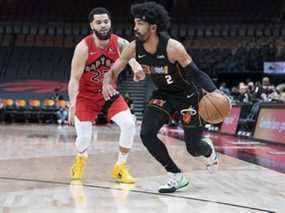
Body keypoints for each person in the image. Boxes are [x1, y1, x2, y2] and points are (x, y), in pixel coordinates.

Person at [103, 2, 220, 193]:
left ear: (153, 27)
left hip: (188, 96)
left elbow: (197, 74)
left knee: (193, 148)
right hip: (164, 95)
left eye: (140, 23)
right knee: (147, 134)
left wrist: (214, 92)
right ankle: (175, 175)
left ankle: (208, 150)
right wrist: (107, 82)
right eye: (135, 23)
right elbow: (114, 70)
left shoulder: (173, 48)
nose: (135, 28)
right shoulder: (133, 48)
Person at [68, 7, 142, 183]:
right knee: (84, 139)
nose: (103, 25)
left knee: (129, 123)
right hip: (85, 97)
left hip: (108, 93)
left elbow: (128, 54)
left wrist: (135, 66)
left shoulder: (119, 42)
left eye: (106, 22)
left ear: (110, 23)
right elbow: (74, 79)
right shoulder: (83, 47)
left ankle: (120, 167)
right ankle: (80, 158)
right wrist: (72, 104)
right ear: (92, 25)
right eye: (98, 22)